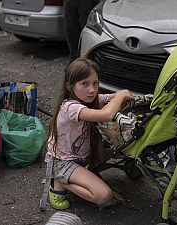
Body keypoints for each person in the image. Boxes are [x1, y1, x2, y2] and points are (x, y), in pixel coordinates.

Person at [45, 58, 134, 210]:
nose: (92, 90)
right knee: (103, 196)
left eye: (95, 83)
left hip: (81, 157)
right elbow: (106, 115)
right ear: (69, 86)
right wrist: (121, 95)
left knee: (110, 147)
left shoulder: (88, 98)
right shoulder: (69, 107)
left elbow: (108, 99)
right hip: (62, 162)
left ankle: (81, 175)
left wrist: (122, 96)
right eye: (84, 84)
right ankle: (59, 181)